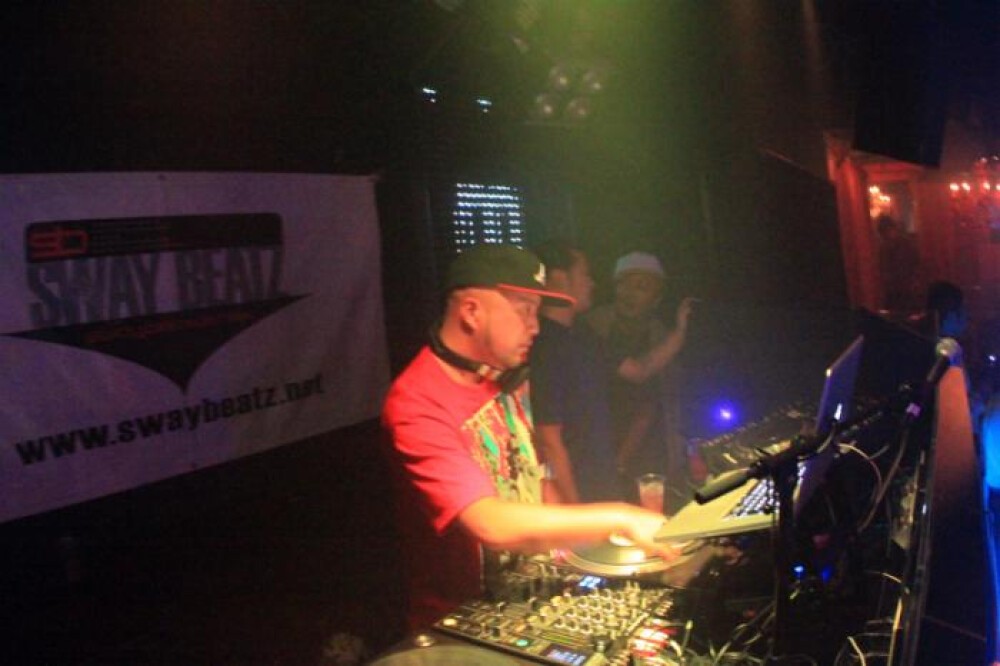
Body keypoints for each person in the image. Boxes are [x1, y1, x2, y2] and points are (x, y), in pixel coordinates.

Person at [381, 243, 675, 631]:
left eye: (537, 312)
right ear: (471, 312)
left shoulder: (505, 377)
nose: (535, 327)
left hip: (530, 599)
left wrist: (580, 553)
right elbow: (490, 523)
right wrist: (619, 518)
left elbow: (536, 476)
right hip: (463, 626)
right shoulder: (417, 401)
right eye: (524, 311)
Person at [584, 251, 694, 512]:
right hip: (596, 450)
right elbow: (638, 371)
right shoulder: (592, 326)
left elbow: (658, 405)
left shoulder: (660, 336)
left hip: (647, 456)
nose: (629, 294)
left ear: (656, 299)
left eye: (641, 287)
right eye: (624, 285)